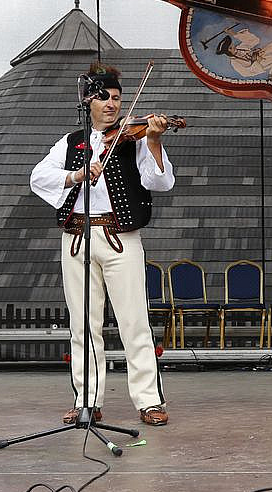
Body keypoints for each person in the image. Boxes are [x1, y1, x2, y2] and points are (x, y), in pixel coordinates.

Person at [30, 63, 173, 427]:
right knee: (83, 325)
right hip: (77, 237)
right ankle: (87, 401)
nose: (111, 104)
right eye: (103, 97)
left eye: (117, 98)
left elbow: (160, 181)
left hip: (120, 236)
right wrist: (76, 175)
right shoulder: (70, 142)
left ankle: (149, 400)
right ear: (87, 101)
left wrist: (154, 140)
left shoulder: (134, 138)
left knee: (134, 321)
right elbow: (38, 177)